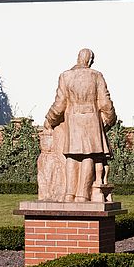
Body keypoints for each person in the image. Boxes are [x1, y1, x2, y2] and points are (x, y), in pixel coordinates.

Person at [43, 48, 117, 202]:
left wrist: (49, 119)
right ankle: (82, 195)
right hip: (91, 121)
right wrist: (110, 119)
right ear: (90, 60)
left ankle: (69, 194)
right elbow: (105, 102)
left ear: (78, 58)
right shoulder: (96, 76)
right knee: (88, 156)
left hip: (73, 120)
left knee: (72, 156)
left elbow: (60, 104)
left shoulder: (65, 76)